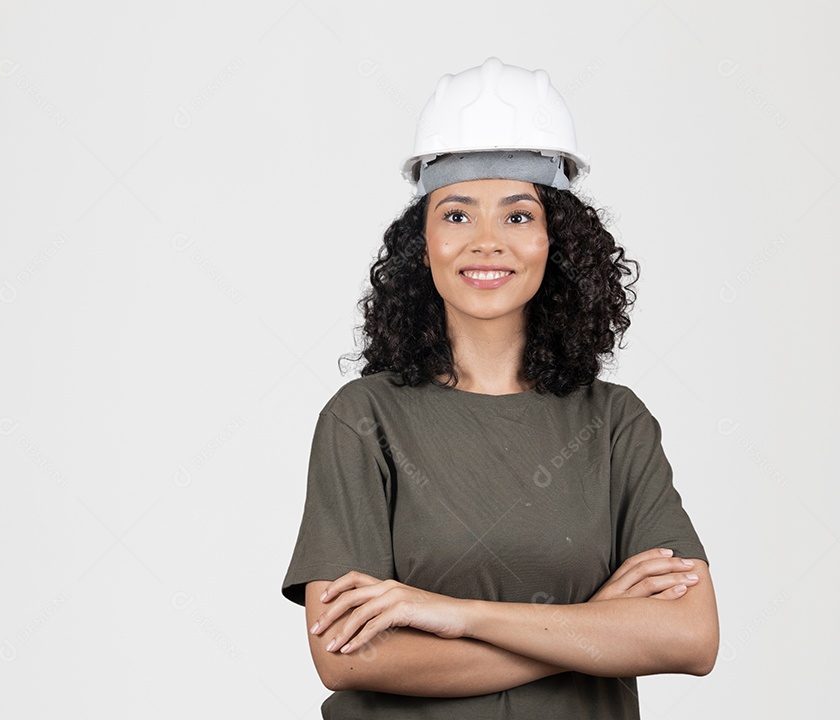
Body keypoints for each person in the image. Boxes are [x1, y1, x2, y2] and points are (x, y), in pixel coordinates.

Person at [280, 57, 719, 719]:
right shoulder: (363, 419)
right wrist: (593, 627)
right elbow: (346, 656)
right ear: (421, 242)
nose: (486, 243)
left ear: (556, 241)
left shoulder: (614, 423)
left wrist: (455, 616)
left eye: (517, 217)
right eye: (457, 215)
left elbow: (690, 637)